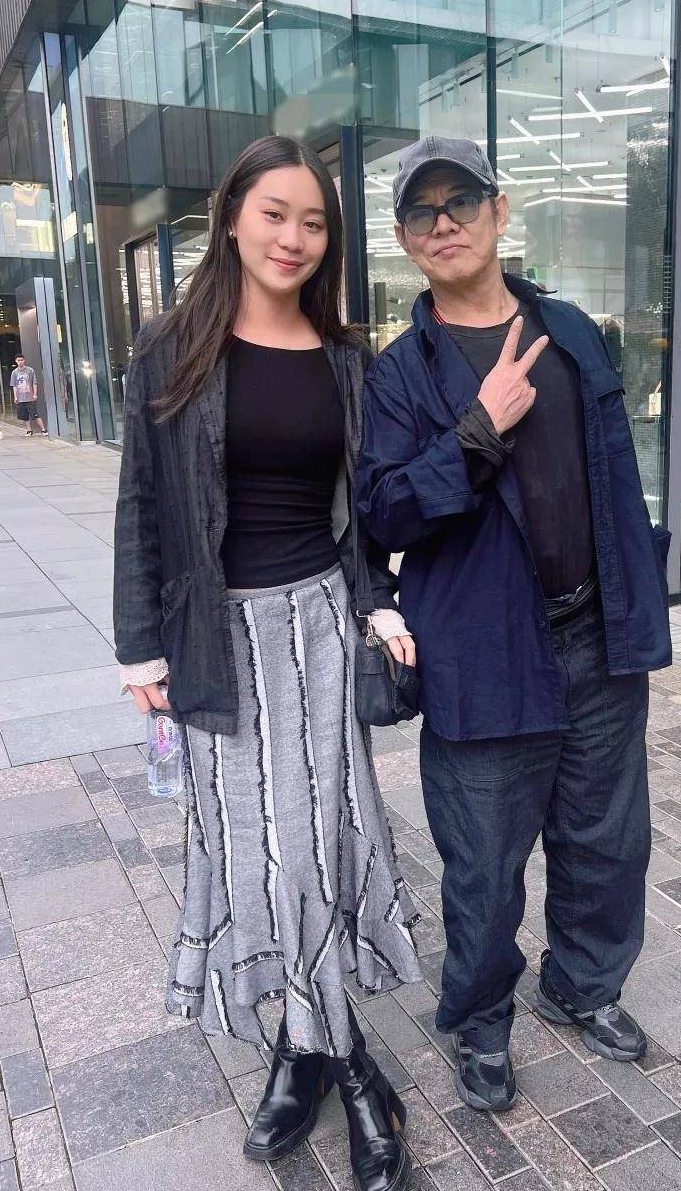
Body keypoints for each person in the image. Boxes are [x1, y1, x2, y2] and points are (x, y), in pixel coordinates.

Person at [113, 135, 420, 1191]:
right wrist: (137, 645)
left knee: (315, 853)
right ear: (233, 215)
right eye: (275, 213)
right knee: (257, 859)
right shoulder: (171, 348)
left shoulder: (345, 359)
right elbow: (141, 504)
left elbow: (361, 514)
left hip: (321, 629)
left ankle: (313, 1058)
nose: (294, 237)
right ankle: (348, 1066)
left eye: (315, 221)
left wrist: (378, 604)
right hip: (215, 638)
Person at [357, 137, 672, 1113]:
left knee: (606, 841)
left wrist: (639, 603)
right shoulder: (401, 373)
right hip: (483, 652)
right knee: (485, 864)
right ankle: (482, 1018)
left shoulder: (572, 332)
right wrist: (477, 432)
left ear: (500, 211)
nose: (443, 222)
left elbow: (614, 475)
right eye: (422, 212)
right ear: (406, 240)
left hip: (597, 636)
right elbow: (384, 513)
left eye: (461, 201)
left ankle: (583, 985)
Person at [9, 355, 48, 436]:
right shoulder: (14, 372)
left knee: (35, 414)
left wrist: (35, 394)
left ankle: (43, 430)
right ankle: (29, 430)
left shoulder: (30, 370)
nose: (20, 362)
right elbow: (14, 386)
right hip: (20, 398)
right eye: (18, 360)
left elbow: (34, 383)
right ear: (16, 361)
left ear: (24, 360)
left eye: (21, 360)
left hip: (30, 397)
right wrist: (15, 396)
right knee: (24, 416)